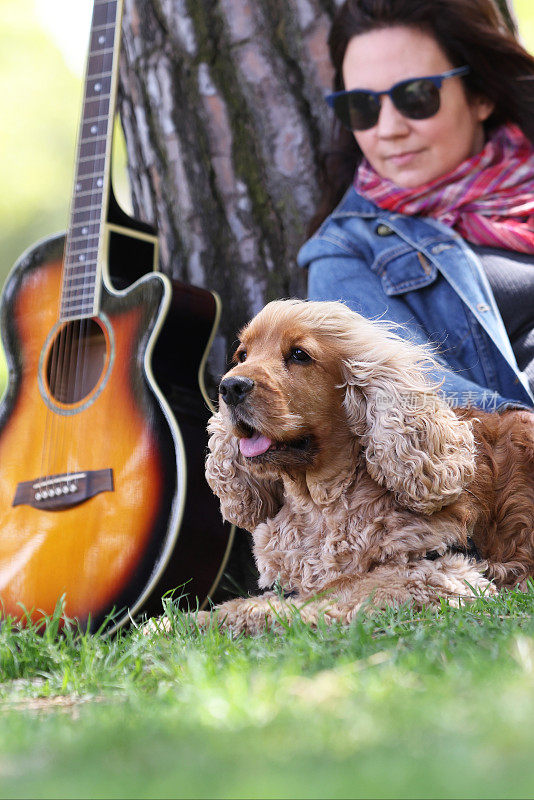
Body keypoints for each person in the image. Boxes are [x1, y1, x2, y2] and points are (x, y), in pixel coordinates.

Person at [297, 0, 534, 412]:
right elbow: (446, 415)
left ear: (481, 95)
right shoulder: (344, 260)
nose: (388, 129)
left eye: (417, 96)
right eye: (363, 106)